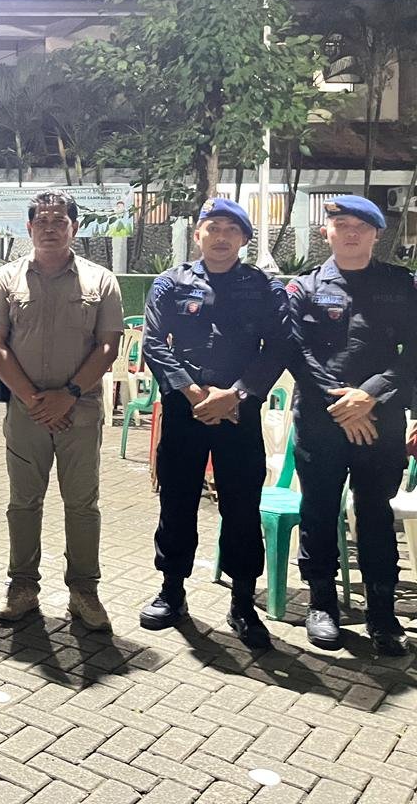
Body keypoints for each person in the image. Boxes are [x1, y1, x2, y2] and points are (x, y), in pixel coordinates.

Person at [140, 198, 292, 649]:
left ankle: (243, 602)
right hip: (185, 411)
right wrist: (192, 392)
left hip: (237, 414)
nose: (221, 237)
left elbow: (278, 347)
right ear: (198, 234)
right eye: (213, 228)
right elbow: (153, 343)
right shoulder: (171, 282)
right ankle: (172, 591)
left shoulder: (263, 287)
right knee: (177, 501)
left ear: (244, 238)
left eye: (231, 229)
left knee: (241, 506)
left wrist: (236, 395)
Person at [0, 190, 124, 631]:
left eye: (58, 221)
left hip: (80, 410)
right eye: (41, 221)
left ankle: (84, 591)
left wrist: (70, 393)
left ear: (73, 228)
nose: (49, 228)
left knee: (82, 503)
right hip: (25, 411)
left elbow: (108, 346)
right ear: (28, 228)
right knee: (24, 502)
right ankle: (22, 587)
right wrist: (31, 398)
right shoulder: (5, 280)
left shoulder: (101, 280)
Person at [287, 195, 415, 656]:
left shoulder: (400, 285)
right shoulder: (303, 287)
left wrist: (370, 395)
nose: (351, 232)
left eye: (361, 226)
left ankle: (382, 612)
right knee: (319, 509)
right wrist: (340, 403)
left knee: (375, 512)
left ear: (377, 234)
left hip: (380, 418)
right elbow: (294, 350)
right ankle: (322, 603)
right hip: (321, 419)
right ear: (327, 232)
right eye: (341, 224)